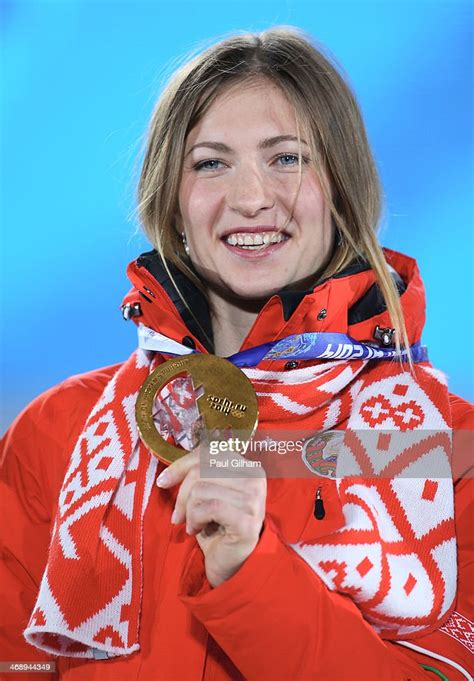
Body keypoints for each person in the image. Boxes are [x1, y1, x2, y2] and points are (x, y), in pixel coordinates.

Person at [1, 26, 472, 681]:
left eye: (287, 158)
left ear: (341, 187)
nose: (250, 198)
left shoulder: (448, 445)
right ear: (173, 198)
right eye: (210, 162)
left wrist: (252, 571)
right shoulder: (58, 432)